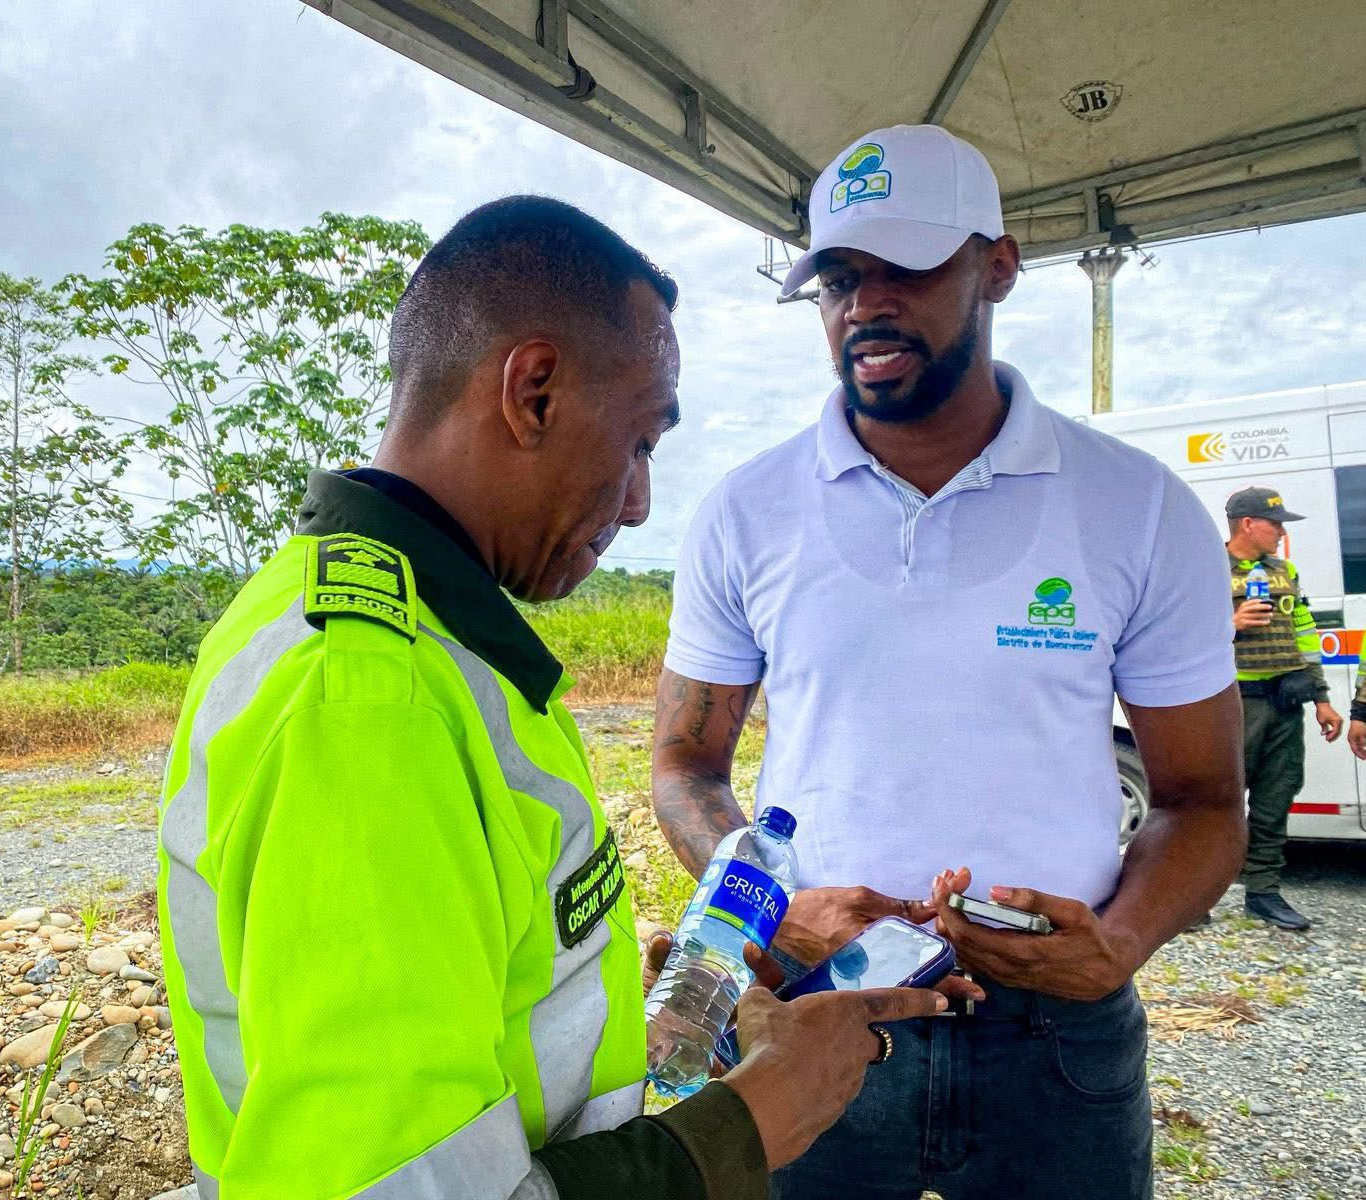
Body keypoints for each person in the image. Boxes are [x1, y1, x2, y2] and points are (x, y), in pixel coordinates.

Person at [155, 196, 944, 1200]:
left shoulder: (430, 641)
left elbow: (476, 992)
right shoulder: (366, 696)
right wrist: (756, 1117)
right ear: (532, 393)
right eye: (644, 438)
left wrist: (632, 1012)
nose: (640, 498)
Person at [651, 124, 1246, 1200]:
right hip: (817, 1009)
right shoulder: (745, 513)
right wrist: (769, 907)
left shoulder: (1135, 506)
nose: (864, 305)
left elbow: (1204, 798)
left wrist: (1115, 943)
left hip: (1052, 1037)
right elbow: (685, 766)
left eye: (905, 268)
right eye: (837, 277)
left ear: (998, 268)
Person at [1224, 487, 1345, 929]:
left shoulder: (1284, 571)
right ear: (1247, 524)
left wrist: (1323, 700)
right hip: (1235, 705)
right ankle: (1195, 899)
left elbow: (1305, 635)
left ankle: (1263, 893)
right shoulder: (1208, 569)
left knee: (1276, 799)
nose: (1280, 532)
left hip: (1285, 701)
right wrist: (1229, 623)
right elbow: (1180, 635)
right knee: (1219, 803)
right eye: (1274, 523)